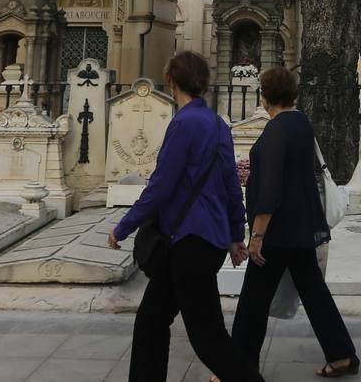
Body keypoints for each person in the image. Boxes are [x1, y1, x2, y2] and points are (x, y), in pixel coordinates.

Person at [107, 52, 263, 382]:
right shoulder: (218, 124)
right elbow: (231, 183)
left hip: (186, 242)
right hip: (204, 241)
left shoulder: (183, 123)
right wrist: (236, 235)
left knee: (208, 338)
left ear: (172, 82)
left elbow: (162, 185)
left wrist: (124, 225)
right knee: (151, 320)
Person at [232, 66, 358, 378]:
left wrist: (257, 235)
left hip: (277, 232)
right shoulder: (301, 122)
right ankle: (342, 355)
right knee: (315, 294)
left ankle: (238, 369)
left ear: (265, 97)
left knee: (252, 302)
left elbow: (271, 186)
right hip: (302, 226)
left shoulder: (276, 130)